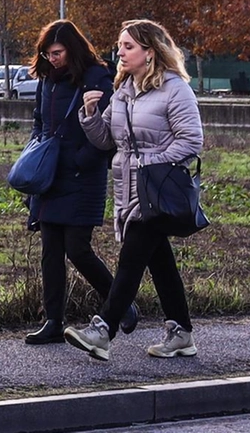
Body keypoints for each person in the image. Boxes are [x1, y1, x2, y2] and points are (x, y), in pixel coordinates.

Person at [64, 19, 205, 361]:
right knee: (159, 261)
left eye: (128, 46)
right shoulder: (126, 90)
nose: (120, 53)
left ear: (150, 51)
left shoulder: (175, 89)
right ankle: (181, 333)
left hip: (157, 188)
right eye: (120, 46)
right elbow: (107, 141)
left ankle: (103, 329)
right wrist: (90, 115)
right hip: (129, 188)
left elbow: (192, 140)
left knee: (131, 259)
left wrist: (150, 162)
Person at [22, 20, 136, 344]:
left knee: (78, 249)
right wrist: (35, 158)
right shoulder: (48, 79)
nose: (51, 59)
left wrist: (80, 160)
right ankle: (54, 320)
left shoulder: (96, 77)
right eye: (47, 54)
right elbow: (39, 121)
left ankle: (121, 304)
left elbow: (109, 128)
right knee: (50, 251)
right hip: (51, 176)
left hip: (83, 176)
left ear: (71, 49)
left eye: (56, 53)